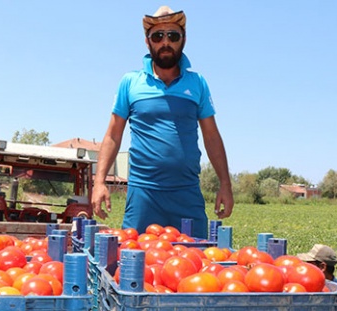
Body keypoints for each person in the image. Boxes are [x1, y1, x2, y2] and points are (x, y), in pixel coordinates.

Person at [91, 5, 234, 237]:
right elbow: (113, 135)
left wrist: (225, 185)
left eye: (173, 35)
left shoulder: (197, 83)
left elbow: (211, 136)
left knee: (196, 262)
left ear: (183, 40)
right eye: (158, 36)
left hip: (187, 193)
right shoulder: (130, 83)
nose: (165, 42)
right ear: (148, 42)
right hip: (143, 194)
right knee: (135, 263)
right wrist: (99, 183)